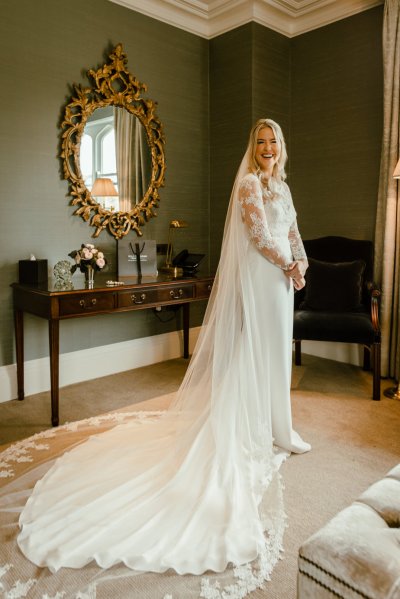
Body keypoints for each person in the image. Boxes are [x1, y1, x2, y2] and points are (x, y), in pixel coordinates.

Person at [17, 118, 310, 596]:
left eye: (273, 142)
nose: (266, 149)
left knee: (277, 353)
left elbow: (293, 230)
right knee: (256, 352)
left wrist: (302, 267)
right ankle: (255, 426)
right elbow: (259, 235)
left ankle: (281, 427)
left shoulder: (284, 186)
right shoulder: (247, 185)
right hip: (262, 277)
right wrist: (287, 264)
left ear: (281, 146)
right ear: (252, 148)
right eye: (259, 142)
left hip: (281, 282)